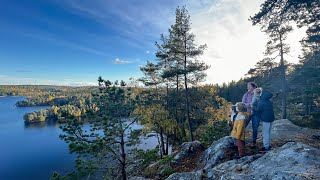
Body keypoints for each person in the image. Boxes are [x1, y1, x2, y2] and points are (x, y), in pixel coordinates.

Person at [242, 82, 260, 147]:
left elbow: (259, 104)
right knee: (243, 126)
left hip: (256, 114)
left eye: (249, 86)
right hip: (247, 113)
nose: (248, 87)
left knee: (255, 128)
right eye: (247, 86)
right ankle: (242, 142)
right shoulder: (245, 95)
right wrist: (249, 105)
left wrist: (249, 104)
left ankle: (254, 143)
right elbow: (242, 104)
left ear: (254, 87)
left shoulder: (258, 94)